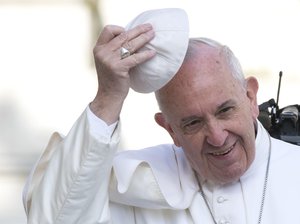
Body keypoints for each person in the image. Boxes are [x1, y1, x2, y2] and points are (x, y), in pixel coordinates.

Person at [23, 10, 300, 224]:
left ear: (251, 98)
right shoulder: (138, 181)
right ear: (170, 130)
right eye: (192, 123)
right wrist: (108, 98)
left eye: (224, 110)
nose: (217, 137)